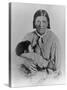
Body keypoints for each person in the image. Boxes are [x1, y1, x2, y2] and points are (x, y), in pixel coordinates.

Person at [16, 9, 61, 75]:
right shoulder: (28, 36)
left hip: (47, 76)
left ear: (48, 23)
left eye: (44, 21)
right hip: (29, 75)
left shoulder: (54, 40)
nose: (41, 25)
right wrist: (26, 62)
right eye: (38, 21)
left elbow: (57, 66)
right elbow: (16, 55)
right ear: (34, 22)